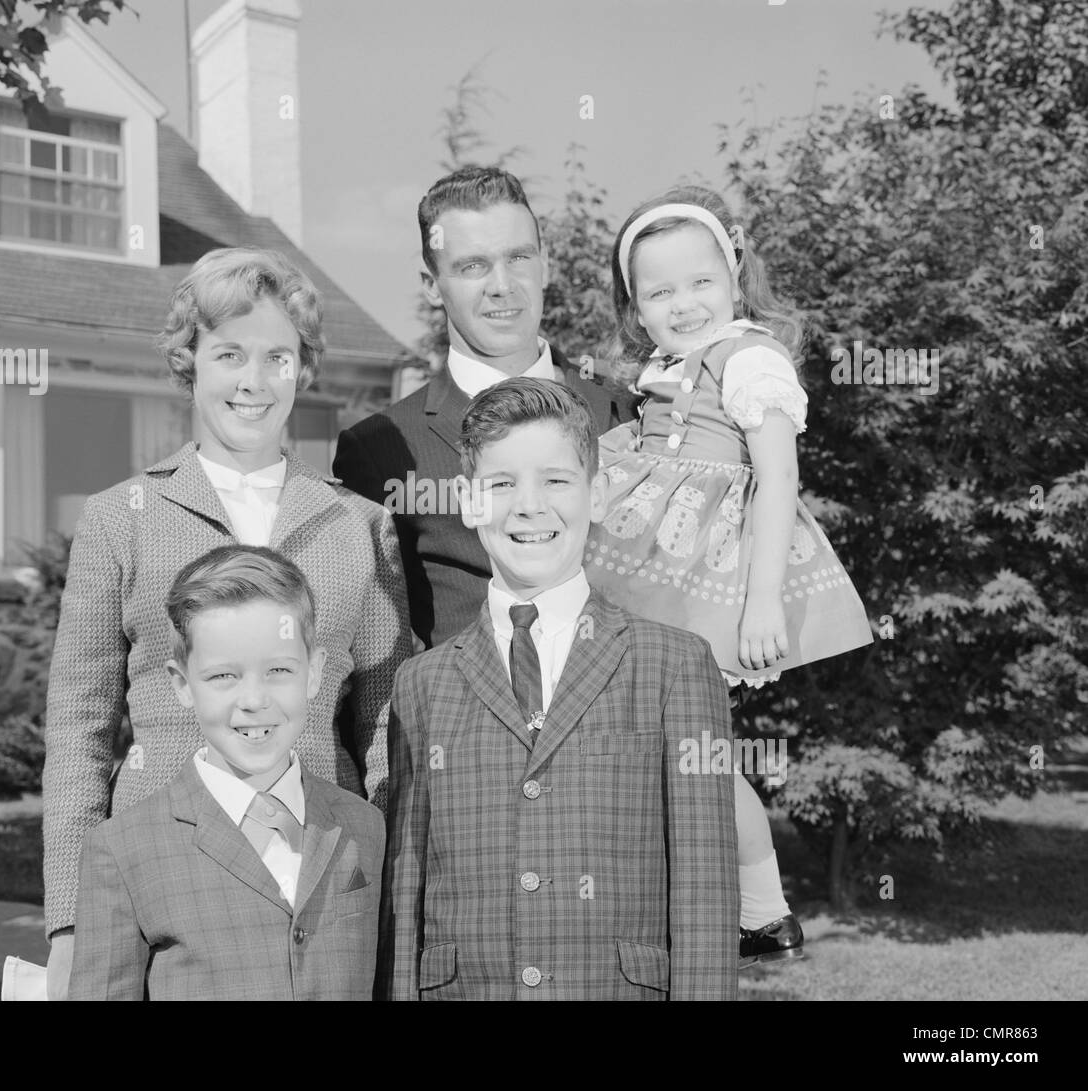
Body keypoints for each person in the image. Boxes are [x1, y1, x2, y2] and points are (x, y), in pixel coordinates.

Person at [43, 248, 409, 999]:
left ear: (302, 369)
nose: (254, 380)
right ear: (190, 362)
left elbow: (384, 725)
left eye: (278, 356)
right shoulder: (120, 519)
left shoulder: (358, 524)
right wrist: (70, 922)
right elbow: (78, 729)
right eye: (230, 354)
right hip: (162, 876)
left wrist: (392, 886)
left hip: (319, 866)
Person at [377, 378, 738, 1000]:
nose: (528, 506)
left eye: (556, 481)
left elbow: (704, 885)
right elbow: (407, 882)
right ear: (468, 500)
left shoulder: (675, 664)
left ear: (597, 495)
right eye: (502, 484)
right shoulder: (421, 683)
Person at [587, 186, 874, 965]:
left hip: (710, 586)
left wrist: (761, 603)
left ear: (736, 277)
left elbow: (778, 478)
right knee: (659, 747)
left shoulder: (748, 357)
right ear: (635, 306)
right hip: (657, 574)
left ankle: (763, 906)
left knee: (696, 752)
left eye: (700, 282)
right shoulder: (665, 370)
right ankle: (709, 902)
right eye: (660, 291)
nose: (684, 304)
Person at [334, 165, 636, 650]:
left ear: (546, 265)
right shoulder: (378, 450)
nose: (502, 285)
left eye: (518, 257)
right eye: (473, 266)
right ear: (431, 284)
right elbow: (374, 638)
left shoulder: (625, 414)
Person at [69, 546, 385, 1000]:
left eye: (278, 670)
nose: (254, 700)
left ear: (313, 673)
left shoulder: (365, 827)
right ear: (182, 684)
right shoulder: (120, 850)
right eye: (223, 677)